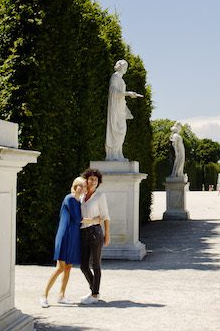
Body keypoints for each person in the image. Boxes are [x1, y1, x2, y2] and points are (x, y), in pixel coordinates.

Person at [40, 177, 101, 308]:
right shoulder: (69, 199)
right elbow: (78, 218)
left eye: (84, 186)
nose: (83, 188)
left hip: (73, 237)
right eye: (80, 186)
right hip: (64, 236)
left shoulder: (78, 202)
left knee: (68, 267)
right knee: (60, 268)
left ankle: (61, 296)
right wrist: (94, 220)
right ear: (75, 186)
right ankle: (43, 296)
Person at [79, 168, 111, 304]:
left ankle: (95, 294)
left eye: (96, 180)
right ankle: (94, 290)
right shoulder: (81, 196)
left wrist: (107, 234)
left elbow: (105, 216)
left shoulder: (100, 196)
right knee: (83, 266)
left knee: (95, 264)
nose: (93, 181)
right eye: (91, 179)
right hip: (83, 233)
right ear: (86, 180)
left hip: (95, 232)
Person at [105, 60, 143, 160]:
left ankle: (118, 154)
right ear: (121, 67)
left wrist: (126, 109)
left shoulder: (121, 80)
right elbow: (114, 94)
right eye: (125, 66)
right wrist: (128, 93)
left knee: (122, 131)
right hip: (115, 108)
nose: (125, 69)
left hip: (120, 108)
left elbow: (121, 96)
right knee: (117, 131)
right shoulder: (115, 77)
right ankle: (113, 155)